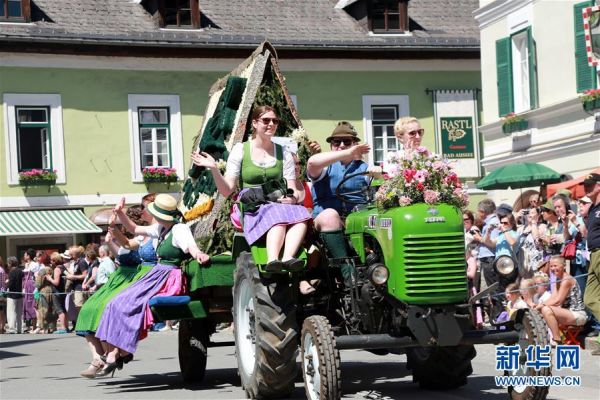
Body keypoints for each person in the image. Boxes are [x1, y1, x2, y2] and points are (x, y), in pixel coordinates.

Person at [95, 193, 210, 377]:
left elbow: (191, 247)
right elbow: (133, 228)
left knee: (129, 303)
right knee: (115, 302)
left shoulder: (179, 229)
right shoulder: (161, 228)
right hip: (157, 274)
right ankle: (116, 352)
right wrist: (120, 213)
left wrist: (199, 255)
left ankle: (120, 352)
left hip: (168, 276)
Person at [191, 105, 310, 272]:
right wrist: (214, 169)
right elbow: (227, 190)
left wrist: (292, 198)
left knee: (302, 215)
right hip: (251, 203)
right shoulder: (240, 150)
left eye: (275, 121)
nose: (271, 124)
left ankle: (288, 257)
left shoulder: (283, 152)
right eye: (266, 120)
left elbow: (291, 189)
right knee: (276, 213)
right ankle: (272, 259)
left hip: (277, 198)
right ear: (254, 123)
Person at [75, 193, 158, 378]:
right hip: (120, 277)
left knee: (108, 306)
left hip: (135, 277)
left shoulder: (157, 230)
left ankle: (114, 354)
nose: (143, 211)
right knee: (88, 308)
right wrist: (112, 230)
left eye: (145, 207)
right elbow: (124, 248)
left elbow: (130, 248)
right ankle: (98, 357)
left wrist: (116, 225)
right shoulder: (141, 234)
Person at [306, 121, 380, 284]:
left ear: (355, 144)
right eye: (336, 142)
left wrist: (379, 175)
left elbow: (380, 190)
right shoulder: (325, 166)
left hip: (358, 219)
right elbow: (312, 163)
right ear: (331, 145)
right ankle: (348, 272)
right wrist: (347, 153)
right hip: (326, 220)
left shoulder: (365, 168)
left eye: (347, 142)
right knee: (330, 216)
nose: (341, 145)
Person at [535, 255, 588, 346]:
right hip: (567, 313)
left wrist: (541, 306)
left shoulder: (566, 280)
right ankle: (548, 338)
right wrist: (539, 305)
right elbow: (553, 297)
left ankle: (557, 339)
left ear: (563, 266)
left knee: (546, 309)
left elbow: (558, 301)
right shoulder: (557, 280)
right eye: (551, 266)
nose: (553, 268)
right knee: (543, 309)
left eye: (555, 266)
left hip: (578, 314)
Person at [471, 199, 501, 319]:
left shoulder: (492, 223)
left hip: (490, 258)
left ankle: (498, 315)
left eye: (479, 211)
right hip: (486, 259)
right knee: (490, 289)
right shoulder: (490, 222)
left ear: (483, 211)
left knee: (493, 289)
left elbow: (492, 243)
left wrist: (479, 238)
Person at [581, 173, 600, 354]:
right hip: (593, 254)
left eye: (590, 185)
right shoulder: (593, 209)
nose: (587, 188)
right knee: (590, 299)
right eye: (585, 185)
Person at [517, 207, 545, 277]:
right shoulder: (521, 228)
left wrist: (534, 223)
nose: (529, 215)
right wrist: (517, 217)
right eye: (528, 213)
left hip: (536, 263)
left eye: (532, 213)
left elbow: (537, 241)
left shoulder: (541, 226)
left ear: (538, 215)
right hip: (523, 263)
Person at [46, 252, 68, 334]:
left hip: (57, 291)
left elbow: (56, 282)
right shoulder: (63, 267)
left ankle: (63, 328)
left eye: (52, 260)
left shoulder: (57, 269)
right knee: (64, 310)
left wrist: (49, 279)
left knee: (59, 310)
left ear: (55, 261)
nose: (51, 262)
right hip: (63, 291)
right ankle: (66, 327)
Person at [6, 257, 23, 334]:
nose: (8, 265)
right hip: (20, 294)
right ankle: (19, 328)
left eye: (8, 263)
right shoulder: (21, 271)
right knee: (19, 313)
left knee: (11, 311)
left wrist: (6, 286)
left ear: (10, 263)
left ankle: (12, 328)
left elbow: (11, 283)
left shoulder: (11, 272)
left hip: (12, 294)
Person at [0, 257, 7, 333]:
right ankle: (2, 327)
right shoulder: (2, 270)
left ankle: (1, 327)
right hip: (2, 291)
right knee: (1, 310)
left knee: (1, 310)